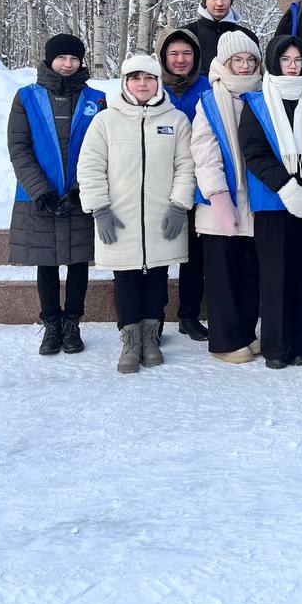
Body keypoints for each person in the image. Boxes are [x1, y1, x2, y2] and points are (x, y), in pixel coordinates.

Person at [77, 54, 195, 373]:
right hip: (120, 218)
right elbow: (90, 166)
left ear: (158, 82)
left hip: (162, 217)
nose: (142, 84)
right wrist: (99, 208)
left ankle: (151, 337)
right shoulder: (106, 121)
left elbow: (186, 166)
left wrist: (179, 204)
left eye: (149, 78)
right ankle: (130, 340)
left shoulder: (175, 120)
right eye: (135, 78)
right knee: (126, 278)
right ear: (125, 83)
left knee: (157, 277)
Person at [7, 34, 106, 355]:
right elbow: (19, 148)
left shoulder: (97, 99)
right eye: (61, 58)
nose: (67, 64)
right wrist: (42, 192)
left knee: (79, 261)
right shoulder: (26, 98)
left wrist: (82, 190)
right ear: (49, 60)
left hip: (80, 196)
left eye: (74, 58)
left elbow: (103, 149)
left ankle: (72, 324)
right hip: (39, 197)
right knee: (46, 263)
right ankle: (51, 325)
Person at [238, 35, 302, 369]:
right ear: (275, 62)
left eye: (298, 61)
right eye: (286, 60)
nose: (292, 66)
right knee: (276, 277)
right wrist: (288, 188)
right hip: (274, 201)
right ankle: (276, 346)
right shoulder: (258, 102)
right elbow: (255, 153)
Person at [191, 30, 263, 364]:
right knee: (222, 274)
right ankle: (224, 340)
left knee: (250, 272)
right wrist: (218, 195)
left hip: (256, 200)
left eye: (251, 59)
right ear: (225, 61)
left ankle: (246, 334)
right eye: (239, 60)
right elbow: (203, 151)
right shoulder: (209, 100)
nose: (246, 66)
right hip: (221, 203)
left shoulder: (263, 92)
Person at [155, 26, 212, 341]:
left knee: (195, 255)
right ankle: (156, 316)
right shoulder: (152, 87)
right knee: (161, 252)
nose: (180, 60)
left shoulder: (207, 88)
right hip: (159, 183)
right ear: (163, 57)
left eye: (187, 54)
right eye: (174, 54)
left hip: (199, 181)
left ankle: (189, 315)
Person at [182, 0, 257, 75]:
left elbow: (256, 73)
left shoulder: (247, 37)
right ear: (205, 1)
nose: (219, 3)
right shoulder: (185, 34)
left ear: (231, 1)